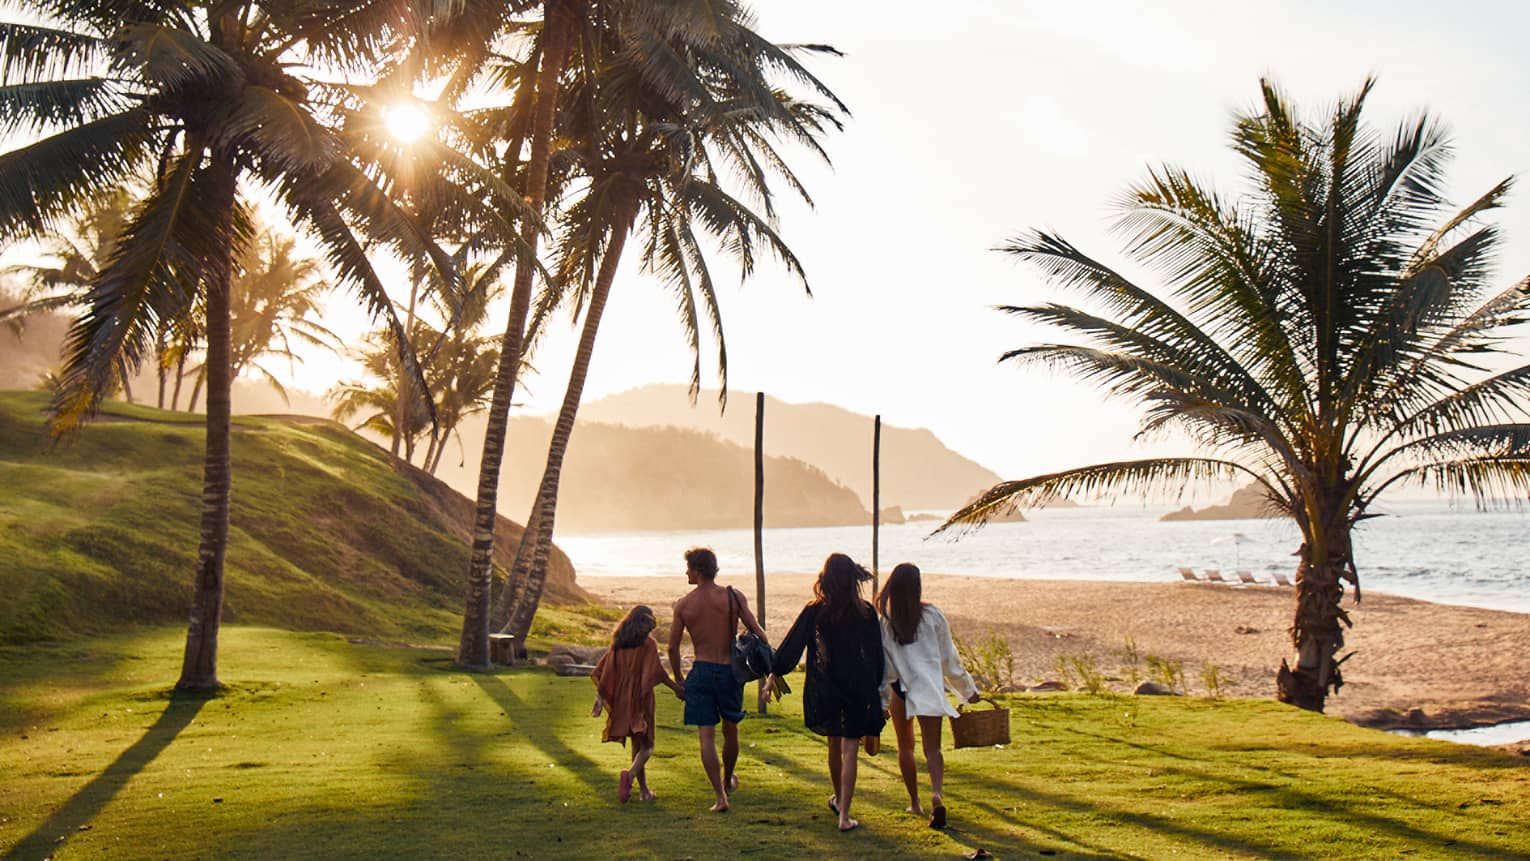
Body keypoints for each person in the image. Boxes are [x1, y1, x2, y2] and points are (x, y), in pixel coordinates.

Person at [765, 553, 886, 832]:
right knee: (851, 749)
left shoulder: (815, 611)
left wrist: (774, 673)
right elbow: (876, 658)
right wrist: (875, 688)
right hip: (857, 688)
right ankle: (845, 815)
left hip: (825, 687)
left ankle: (840, 803)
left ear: (826, 578)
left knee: (834, 745)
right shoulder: (866, 612)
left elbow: (791, 647)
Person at [875, 562, 980, 829]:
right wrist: (968, 690)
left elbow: (885, 668)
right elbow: (949, 659)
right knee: (932, 749)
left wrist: (883, 702)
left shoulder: (886, 622)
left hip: (901, 689)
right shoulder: (933, 615)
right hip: (930, 688)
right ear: (917, 587)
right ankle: (936, 792)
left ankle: (914, 802)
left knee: (905, 747)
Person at [667, 547, 767, 813]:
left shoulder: (685, 604)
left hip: (700, 672)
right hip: (728, 672)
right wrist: (767, 660)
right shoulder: (733, 597)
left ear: (697, 571)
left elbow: (672, 648)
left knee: (706, 737)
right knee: (730, 729)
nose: (686, 572)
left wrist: (679, 680)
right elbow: (759, 632)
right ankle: (727, 777)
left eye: (688, 568)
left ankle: (720, 796)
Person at [591, 605, 685, 803]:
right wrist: (677, 688)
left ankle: (644, 792)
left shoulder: (619, 642)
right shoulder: (647, 644)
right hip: (640, 698)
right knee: (648, 744)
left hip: (621, 698)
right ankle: (630, 775)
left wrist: (600, 698)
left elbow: (602, 670)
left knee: (637, 742)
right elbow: (657, 672)